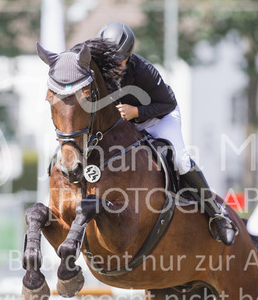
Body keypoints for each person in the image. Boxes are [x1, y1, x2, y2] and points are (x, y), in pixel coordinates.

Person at [97, 22, 238, 246]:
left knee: (181, 161)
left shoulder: (143, 71)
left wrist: (137, 112)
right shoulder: (97, 68)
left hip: (159, 118)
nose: (113, 67)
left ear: (129, 57)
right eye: (109, 62)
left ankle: (217, 214)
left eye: (119, 61)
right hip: (126, 123)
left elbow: (167, 103)